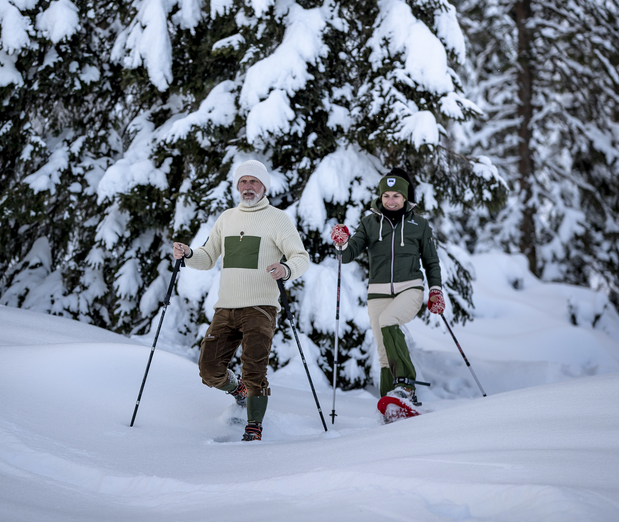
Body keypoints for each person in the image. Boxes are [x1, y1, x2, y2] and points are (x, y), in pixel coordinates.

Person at [173, 160, 310, 441]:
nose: (248, 187)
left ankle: (254, 425)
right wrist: (188, 254)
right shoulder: (226, 218)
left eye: (254, 182)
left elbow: (301, 257)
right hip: (226, 307)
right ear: (237, 186)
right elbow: (207, 257)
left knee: (254, 368)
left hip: (261, 306)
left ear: (264, 187)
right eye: (243, 182)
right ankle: (238, 391)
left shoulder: (277, 218)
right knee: (209, 369)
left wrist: (287, 269)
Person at [330, 167, 445, 406]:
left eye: (396, 196)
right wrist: (342, 244)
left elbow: (431, 261)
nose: (390, 201)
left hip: (410, 289)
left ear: (405, 198)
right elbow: (349, 254)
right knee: (383, 352)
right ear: (380, 197)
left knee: (389, 322)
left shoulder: (419, 225)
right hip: (377, 292)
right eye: (386, 196)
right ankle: (389, 403)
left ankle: (405, 385)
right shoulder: (369, 223)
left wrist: (435, 290)